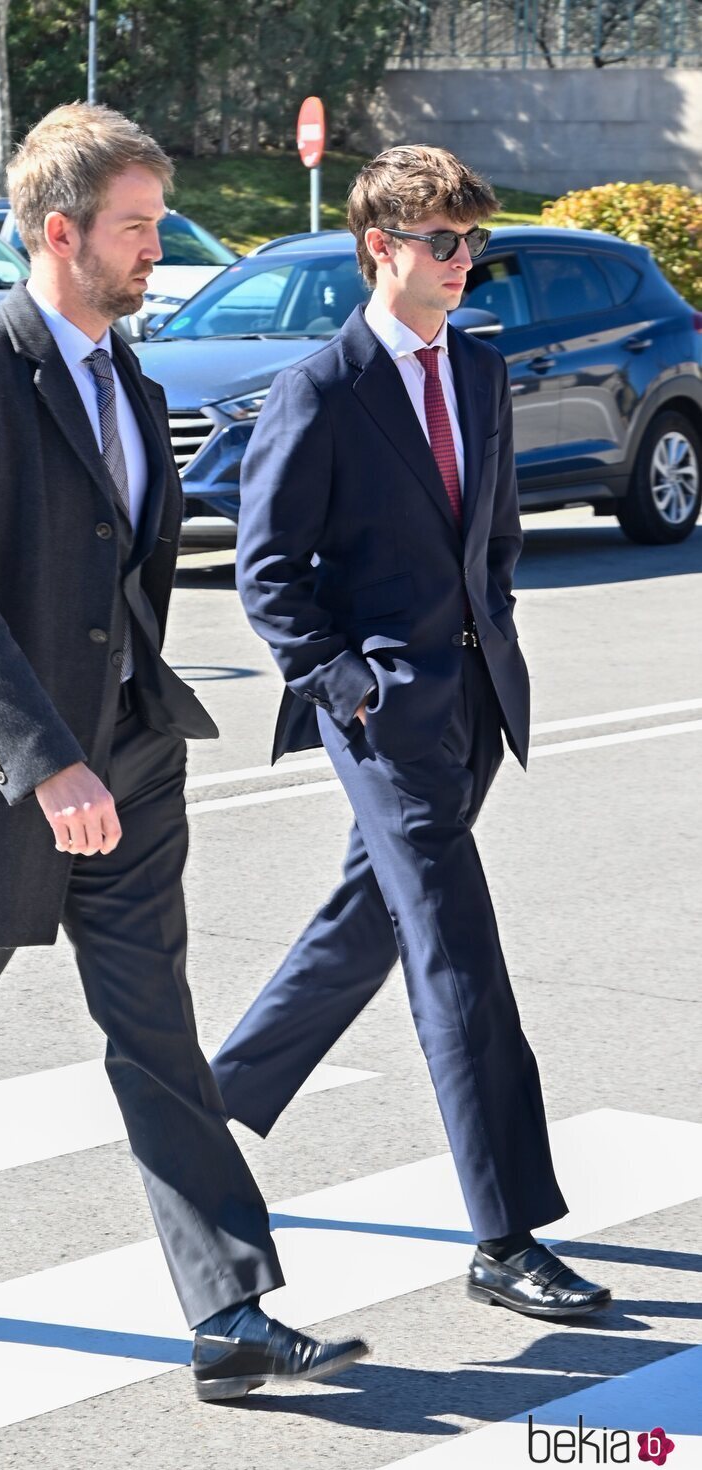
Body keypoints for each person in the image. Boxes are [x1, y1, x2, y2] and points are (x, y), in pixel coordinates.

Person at [0, 103, 366, 1402]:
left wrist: (130, 722)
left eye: (157, 224)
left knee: (158, 1029)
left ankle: (232, 1312)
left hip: (130, 761)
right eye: (139, 226)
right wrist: (48, 760)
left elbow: (131, 572)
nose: (159, 248)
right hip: (1, 777)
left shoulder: (137, 380)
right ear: (61, 232)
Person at [211, 145, 611, 1321]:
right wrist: (347, 687)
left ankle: (203, 1102)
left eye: (471, 243)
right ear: (380, 247)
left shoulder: (478, 375)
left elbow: (494, 536)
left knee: (365, 920)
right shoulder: (320, 391)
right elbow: (267, 573)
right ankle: (505, 1233)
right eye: (444, 244)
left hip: (475, 703)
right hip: (381, 713)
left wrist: (494, 632)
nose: (463, 264)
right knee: (455, 951)